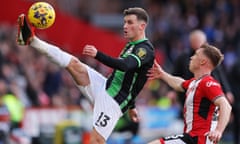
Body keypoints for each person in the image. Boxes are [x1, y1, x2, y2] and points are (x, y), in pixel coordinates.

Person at [16, 7, 154, 144]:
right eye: (125, 22)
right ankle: (31, 40)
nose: (125, 26)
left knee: (96, 141)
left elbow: (125, 66)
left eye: (130, 22)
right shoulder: (132, 45)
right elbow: (135, 79)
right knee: (74, 64)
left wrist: (97, 54)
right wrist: (132, 106)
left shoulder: (145, 50)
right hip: (105, 86)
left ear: (142, 26)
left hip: (113, 102)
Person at [147, 43, 232, 144]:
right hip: (193, 137)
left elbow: (226, 105)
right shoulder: (195, 83)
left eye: (196, 55)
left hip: (199, 138)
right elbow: (180, 84)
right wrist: (162, 74)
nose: (191, 57)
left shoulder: (208, 83)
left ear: (203, 61)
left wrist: (218, 130)